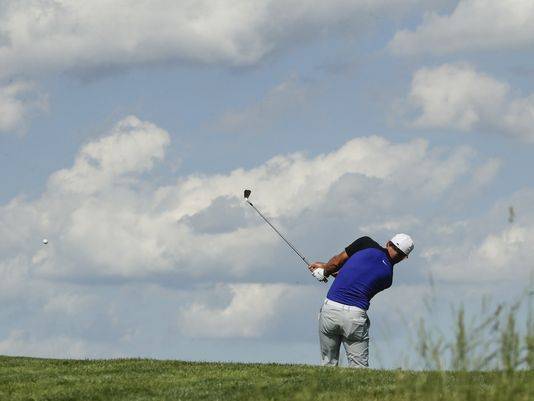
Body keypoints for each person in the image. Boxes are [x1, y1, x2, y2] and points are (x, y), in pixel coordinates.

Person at [308, 233, 414, 368]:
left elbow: (336, 263)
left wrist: (324, 271)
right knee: (359, 369)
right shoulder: (388, 278)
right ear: (405, 257)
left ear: (388, 243)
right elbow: (358, 279)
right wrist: (324, 268)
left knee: (328, 364)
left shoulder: (365, 243)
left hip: (330, 309)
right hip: (354, 316)